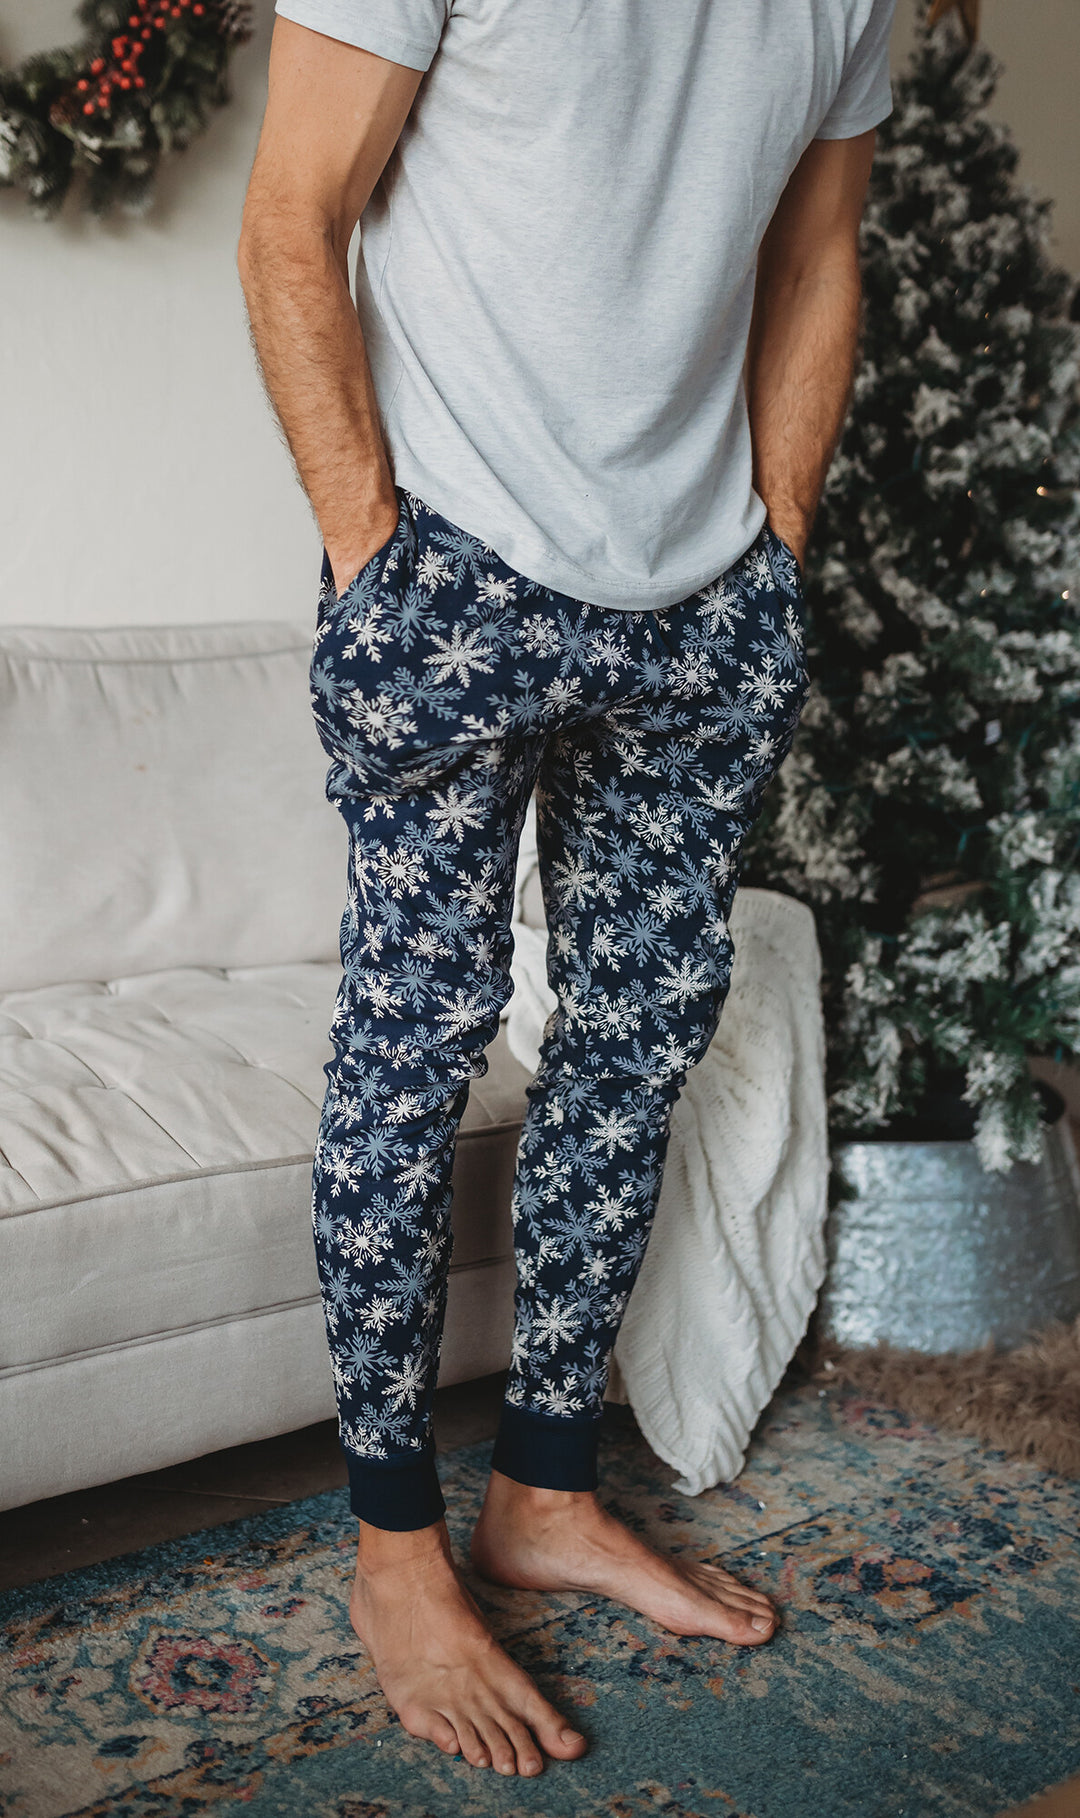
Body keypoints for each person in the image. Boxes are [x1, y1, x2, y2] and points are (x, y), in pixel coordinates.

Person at [237, 0, 897, 1778]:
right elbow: (293, 208)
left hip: (703, 605)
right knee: (416, 1038)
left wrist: (776, 541)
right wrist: (372, 557)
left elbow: (816, 246)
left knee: (636, 1042)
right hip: (448, 570)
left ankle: (541, 1492)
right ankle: (396, 1552)